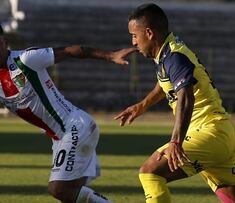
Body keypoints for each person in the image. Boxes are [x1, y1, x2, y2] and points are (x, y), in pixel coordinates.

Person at [114, 3, 235, 203]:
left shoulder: (174, 56)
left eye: (135, 35)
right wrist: (141, 106)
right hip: (219, 133)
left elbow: (186, 96)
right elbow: (165, 84)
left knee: (150, 172)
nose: (133, 42)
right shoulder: (167, 54)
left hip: (209, 132)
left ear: (149, 33)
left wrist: (176, 141)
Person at [0, 25, 136, 203]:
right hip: (60, 137)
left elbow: (71, 51)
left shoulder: (26, 60)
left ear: (5, 43)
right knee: (72, 195)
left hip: (75, 127)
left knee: (58, 189)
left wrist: (111, 55)